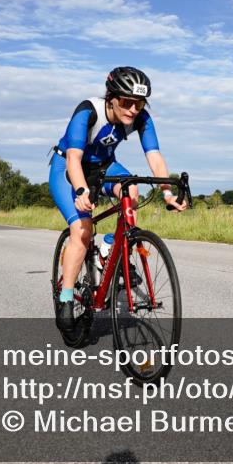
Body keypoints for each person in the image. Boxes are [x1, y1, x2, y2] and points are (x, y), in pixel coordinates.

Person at [49, 66, 186, 331]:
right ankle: (66, 295)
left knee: (132, 190)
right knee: (82, 230)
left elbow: (155, 156)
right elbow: (74, 159)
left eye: (140, 103)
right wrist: (80, 191)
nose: (133, 109)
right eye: (126, 102)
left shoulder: (141, 118)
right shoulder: (88, 111)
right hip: (67, 166)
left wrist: (168, 193)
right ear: (111, 97)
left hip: (104, 166)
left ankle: (110, 246)